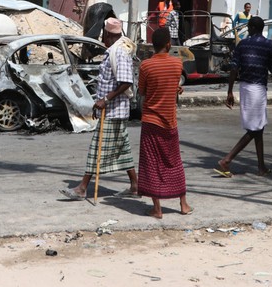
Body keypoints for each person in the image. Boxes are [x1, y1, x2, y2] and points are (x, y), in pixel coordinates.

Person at [60, 17, 138, 200]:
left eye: (104, 33)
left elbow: (126, 82)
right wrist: (100, 103)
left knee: (97, 148)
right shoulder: (113, 50)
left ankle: (82, 188)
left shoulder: (119, 52)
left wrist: (105, 100)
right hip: (111, 109)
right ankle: (135, 185)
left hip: (114, 110)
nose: (102, 36)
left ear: (109, 34)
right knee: (122, 148)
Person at [137, 28, 192, 218]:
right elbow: (170, 83)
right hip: (170, 122)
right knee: (174, 161)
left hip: (151, 120)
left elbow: (143, 92)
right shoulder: (177, 64)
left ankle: (157, 209)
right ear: (169, 44)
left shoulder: (145, 66)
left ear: (153, 45)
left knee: (151, 163)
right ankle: (183, 204)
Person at [215, 16, 272, 177]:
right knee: (255, 129)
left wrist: (229, 91)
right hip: (258, 88)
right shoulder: (270, 45)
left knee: (259, 127)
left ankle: (261, 166)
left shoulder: (242, 45)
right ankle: (227, 160)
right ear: (262, 28)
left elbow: (234, 69)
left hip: (244, 87)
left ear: (252, 28)